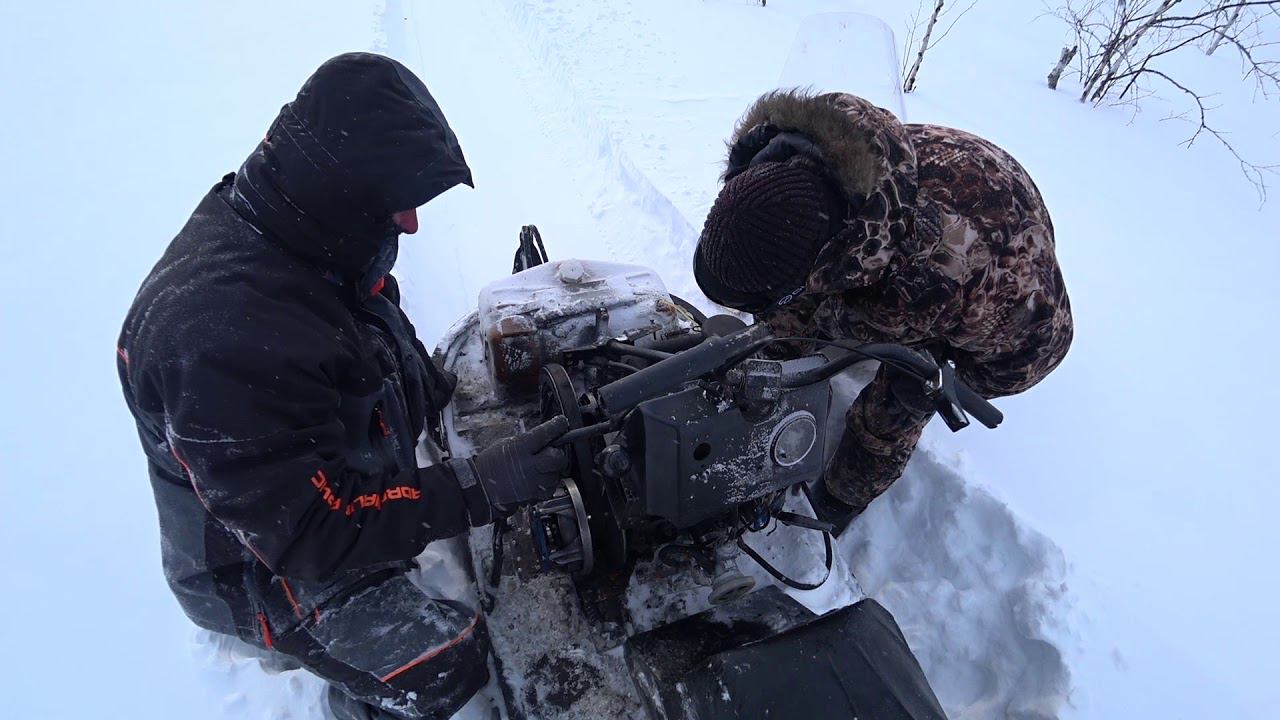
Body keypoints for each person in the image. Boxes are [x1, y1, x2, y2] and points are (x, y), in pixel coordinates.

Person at [117, 53, 569, 720]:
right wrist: (479, 487)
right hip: (268, 564)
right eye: (397, 203)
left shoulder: (297, 223)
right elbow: (312, 535)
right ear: (338, 190)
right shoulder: (215, 342)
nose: (412, 222)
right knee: (450, 664)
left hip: (307, 478)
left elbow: (363, 321)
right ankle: (356, 701)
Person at [694, 89, 1073, 531]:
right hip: (909, 215)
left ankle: (838, 500)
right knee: (784, 333)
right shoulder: (785, 173)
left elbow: (1041, 351)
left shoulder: (945, 279)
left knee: (893, 410)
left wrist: (945, 380)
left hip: (990, 265)